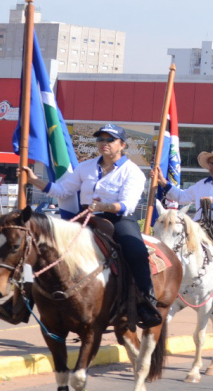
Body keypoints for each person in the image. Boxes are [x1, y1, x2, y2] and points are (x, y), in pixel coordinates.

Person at [22, 124, 162, 328]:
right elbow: (63, 191)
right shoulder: (85, 167)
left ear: (122, 145)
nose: (103, 143)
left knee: (136, 252)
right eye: (100, 139)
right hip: (86, 217)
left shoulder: (133, 172)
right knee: (43, 246)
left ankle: (146, 302)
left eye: (109, 140)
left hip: (117, 219)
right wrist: (34, 180)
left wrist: (104, 205)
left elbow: (128, 205)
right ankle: (26, 299)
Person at [155, 147, 213, 309]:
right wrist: (164, 183)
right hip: (199, 225)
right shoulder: (202, 184)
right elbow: (183, 197)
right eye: (212, 163)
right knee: (176, 245)